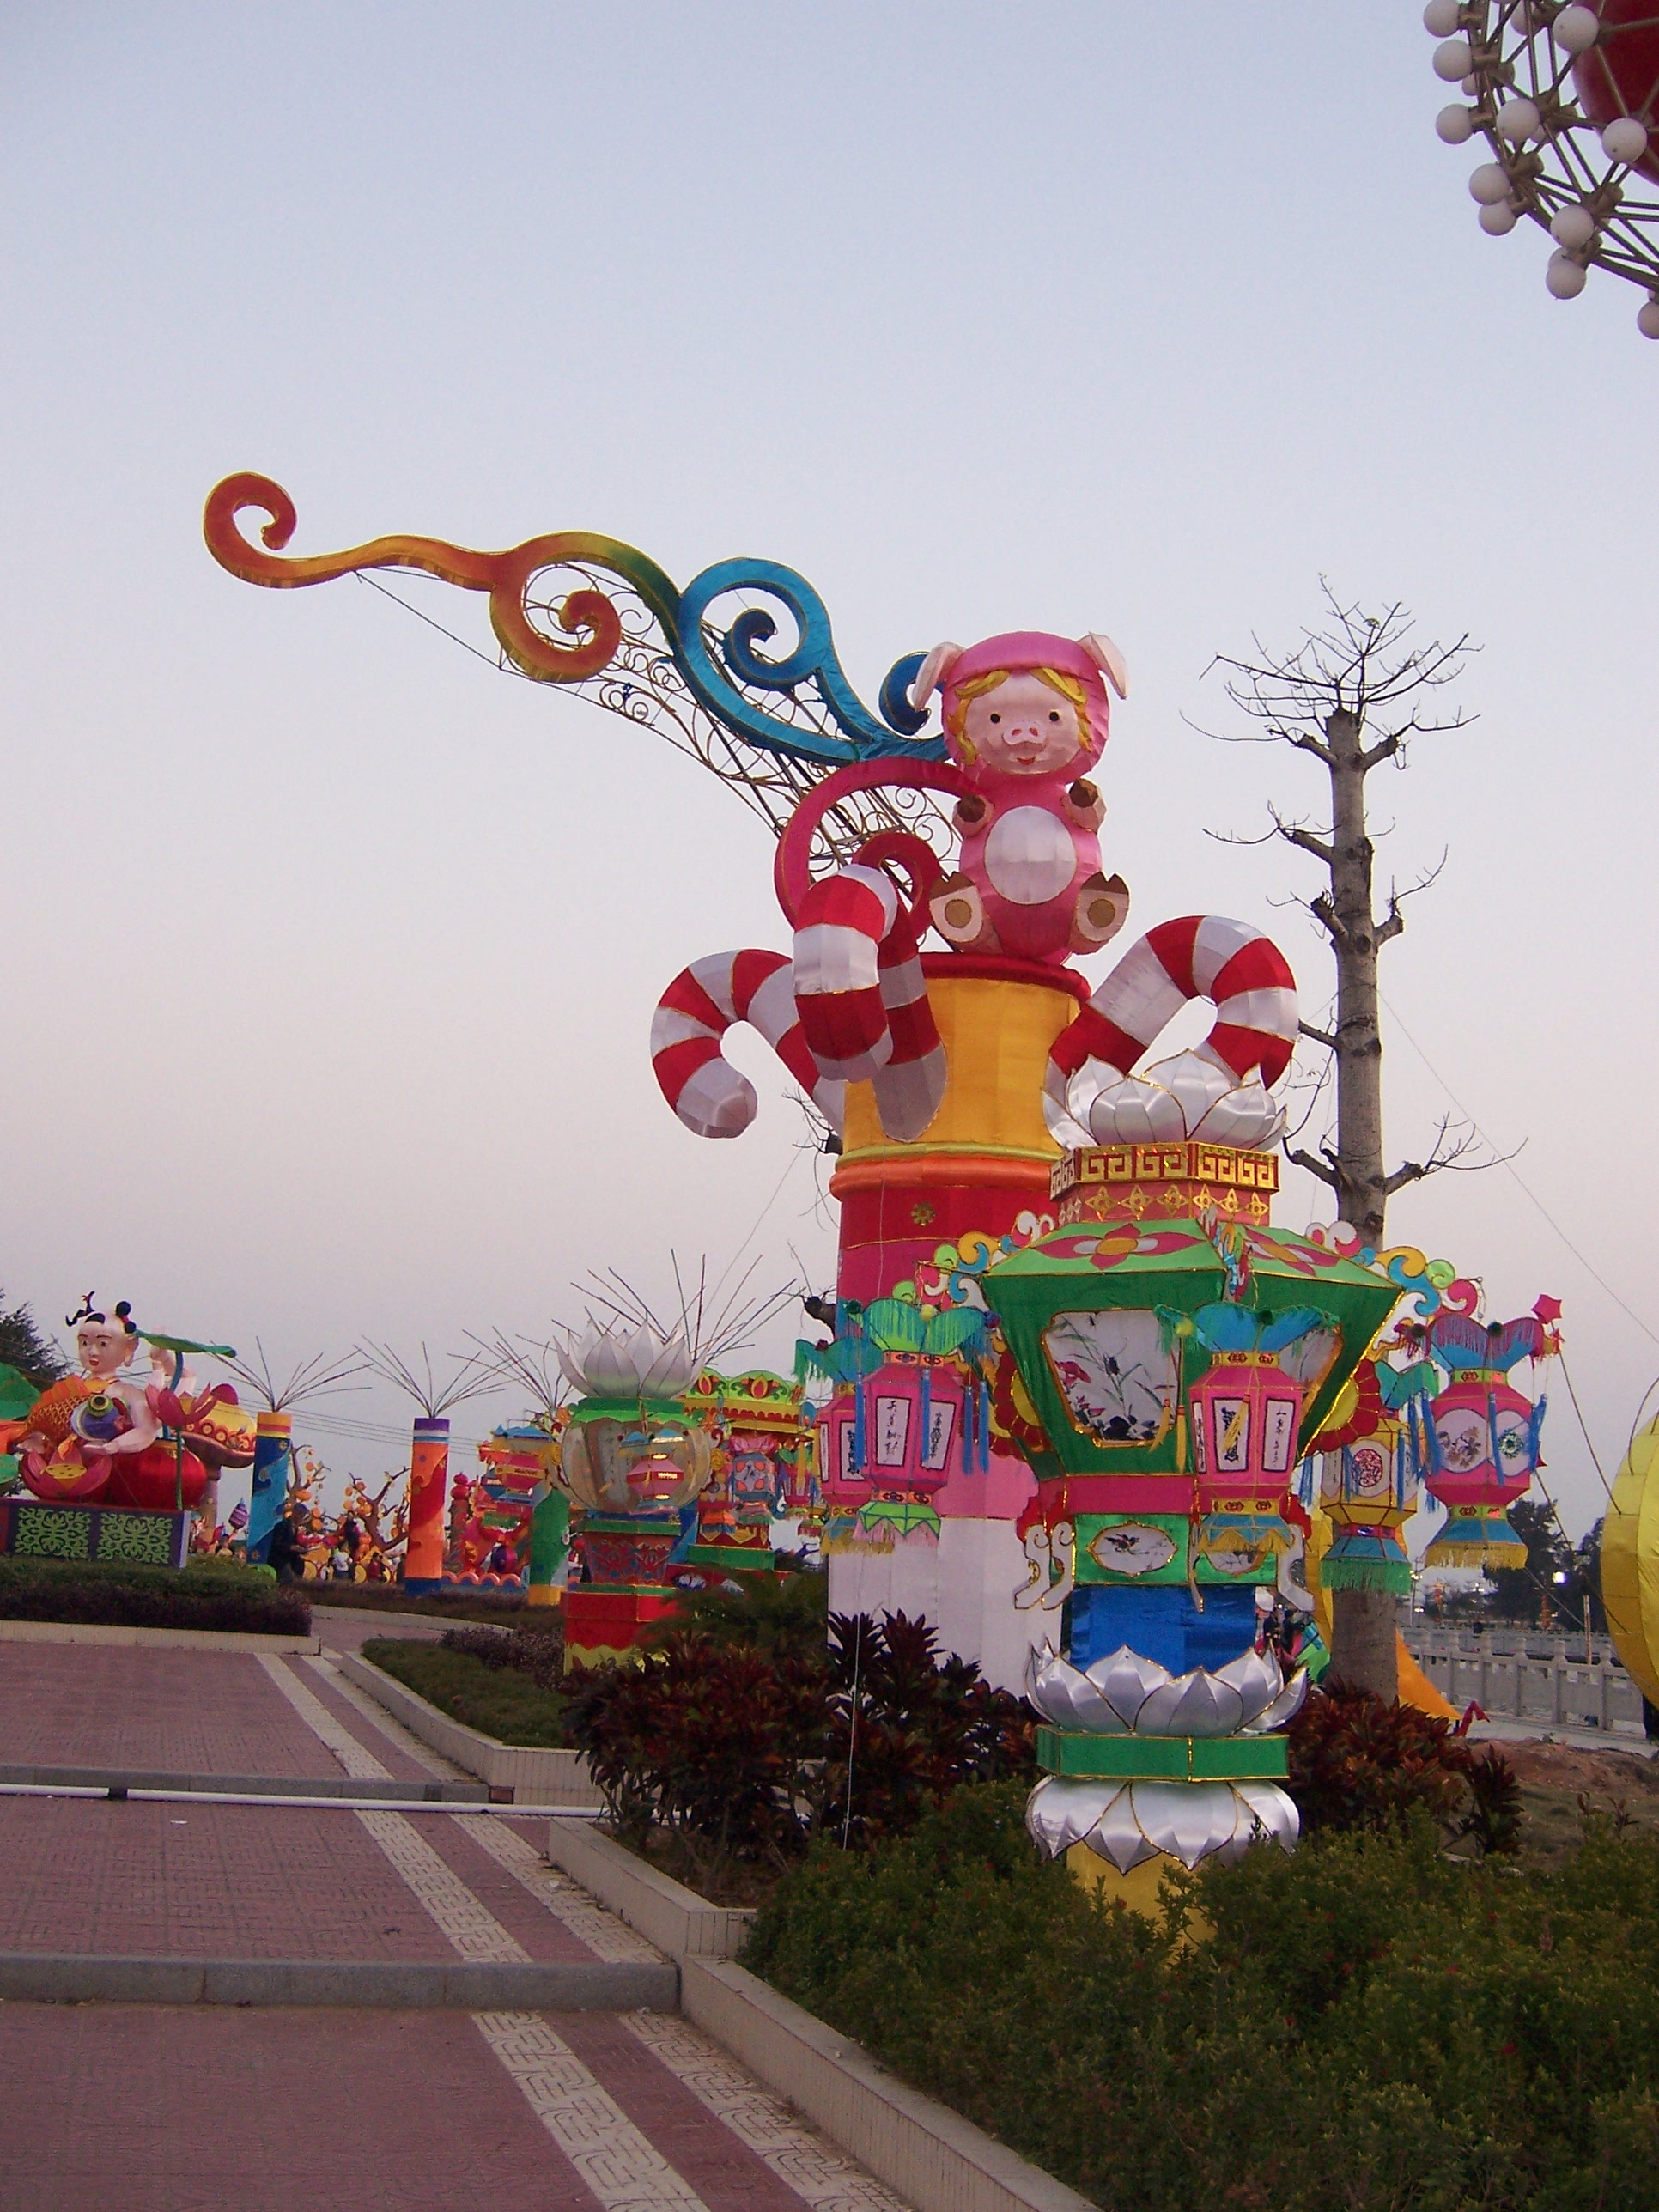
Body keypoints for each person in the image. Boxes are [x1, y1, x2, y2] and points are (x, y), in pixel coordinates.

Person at [267, 1512, 305, 1584]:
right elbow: (276, 1544)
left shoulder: (295, 1528)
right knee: (288, 1578)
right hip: (278, 1557)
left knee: (300, 1562)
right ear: (295, 1514)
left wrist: (302, 1549)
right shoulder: (282, 1525)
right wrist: (291, 1547)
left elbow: (294, 1543)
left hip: (290, 1558)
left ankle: (298, 1582)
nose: (302, 1519)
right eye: (301, 1516)